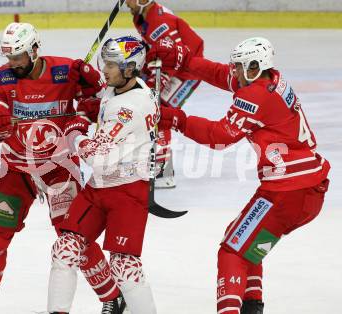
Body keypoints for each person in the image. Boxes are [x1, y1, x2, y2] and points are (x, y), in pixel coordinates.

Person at [0, 22, 123, 314]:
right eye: (9, 57)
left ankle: (112, 297)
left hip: (59, 168)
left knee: (73, 237)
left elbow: (102, 102)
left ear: (34, 49)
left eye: (18, 56)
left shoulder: (66, 71)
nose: (13, 63)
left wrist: (94, 86)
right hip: (15, 169)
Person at [149, 37, 331, 313]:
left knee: (232, 250)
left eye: (238, 67)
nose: (233, 72)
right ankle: (252, 306)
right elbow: (221, 74)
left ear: (255, 67)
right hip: (306, 187)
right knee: (243, 242)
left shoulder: (255, 96)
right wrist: (184, 61)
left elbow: (219, 136)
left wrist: (176, 119)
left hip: (287, 192)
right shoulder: (271, 81)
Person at [46, 36, 158, 314]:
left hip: (127, 192)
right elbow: (100, 102)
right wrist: (85, 84)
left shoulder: (130, 108)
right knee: (65, 250)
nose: (105, 70)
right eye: (104, 63)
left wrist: (74, 131)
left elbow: (96, 157)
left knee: (124, 268)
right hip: (98, 188)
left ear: (130, 68)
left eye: (111, 65)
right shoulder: (123, 88)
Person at [126, 0, 204, 188]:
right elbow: (158, 51)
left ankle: (163, 171)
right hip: (168, 66)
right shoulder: (141, 16)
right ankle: (148, 158)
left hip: (186, 73)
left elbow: (176, 57)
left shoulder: (160, 23)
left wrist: (154, 84)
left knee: (158, 111)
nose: (126, 2)